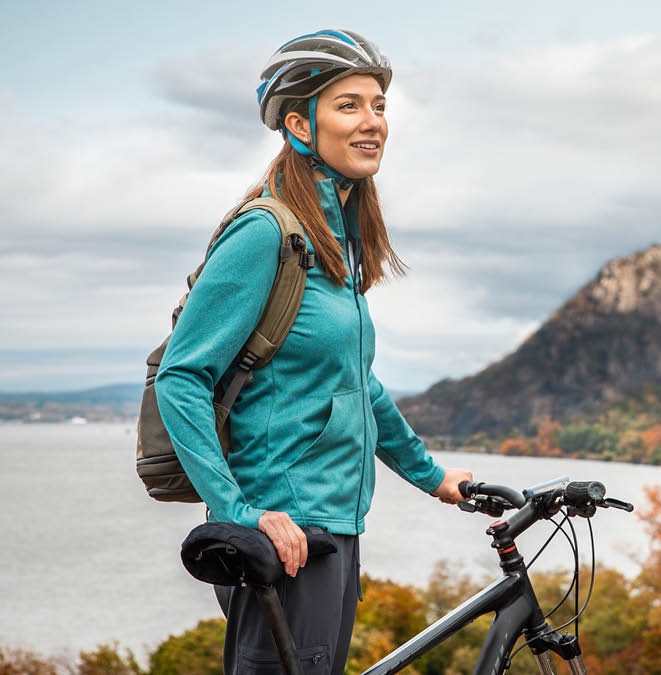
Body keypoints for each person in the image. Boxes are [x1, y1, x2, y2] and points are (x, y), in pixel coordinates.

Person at [155, 29, 473, 674]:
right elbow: (182, 378)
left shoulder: (338, 243)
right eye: (349, 105)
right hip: (286, 535)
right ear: (300, 123)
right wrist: (239, 513)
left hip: (334, 526)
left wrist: (432, 477)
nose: (372, 122)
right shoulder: (266, 232)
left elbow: (357, 384)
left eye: (379, 105)